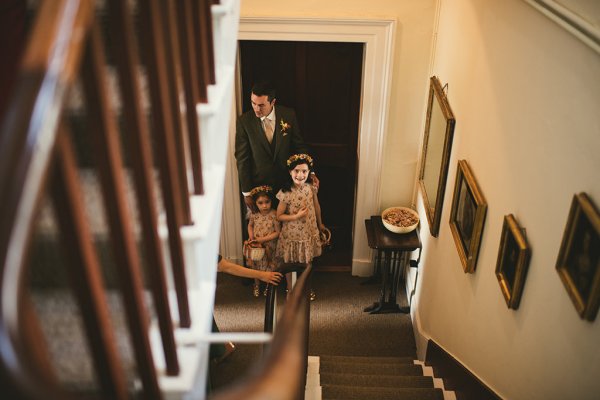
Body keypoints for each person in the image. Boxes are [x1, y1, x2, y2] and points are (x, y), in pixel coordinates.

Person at [234, 81, 319, 212]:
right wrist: (246, 193)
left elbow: (299, 146)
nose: (256, 109)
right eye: (253, 103)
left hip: (287, 184)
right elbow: (242, 159)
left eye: (261, 105)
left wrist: (311, 171)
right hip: (259, 190)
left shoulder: (288, 115)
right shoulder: (244, 122)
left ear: (272, 102)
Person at [275, 154, 325, 300]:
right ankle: (290, 289)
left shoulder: (311, 188)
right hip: (292, 235)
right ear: (290, 172)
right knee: (290, 262)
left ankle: (306, 287)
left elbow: (316, 206)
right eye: (296, 171)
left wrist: (320, 224)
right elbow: (279, 216)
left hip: (308, 232)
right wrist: (296, 216)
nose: (300, 175)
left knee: (307, 262)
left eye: (304, 171)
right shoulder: (286, 192)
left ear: (309, 172)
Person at [245, 185, 281, 297]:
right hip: (257, 247)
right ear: (255, 203)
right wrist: (251, 237)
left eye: (267, 202)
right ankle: (256, 284)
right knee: (256, 266)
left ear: (271, 201)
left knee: (269, 266)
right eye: (260, 203)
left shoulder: (274, 214)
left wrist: (262, 239)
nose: (264, 205)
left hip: (270, 246)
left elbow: (277, 232)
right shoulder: (254, 214)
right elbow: (250, 226)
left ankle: (268, 286)